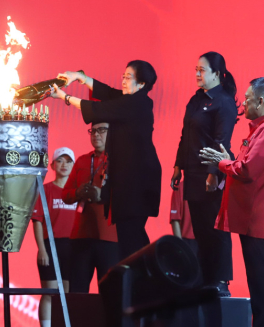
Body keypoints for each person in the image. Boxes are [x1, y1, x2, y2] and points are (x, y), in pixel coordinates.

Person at [200, 77, 264, 327]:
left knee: (261, 283)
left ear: (261, 101)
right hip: (253, 216)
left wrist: (224, 163)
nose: (244, 104)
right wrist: (228, 160)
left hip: (257, 217)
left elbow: (248, 169)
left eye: (248, 99)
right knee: (259, 282)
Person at [49, 61, 162, 259]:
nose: (123, 81)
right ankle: (142, 280)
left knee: (132, 238)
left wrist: (65, 98)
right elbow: (108, 92)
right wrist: (80, 77)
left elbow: (98, 108)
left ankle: (143, 281)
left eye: (128, 77)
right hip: (130, 180)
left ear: (141, 84)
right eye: (123, 75)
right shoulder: (133, 100)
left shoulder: (136, 104)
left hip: (137, 182)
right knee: (131, 237)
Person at [171, 52, 238, 296]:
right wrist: (178, 166)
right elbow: (184, 135)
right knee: (199, 229)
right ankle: (206, 277)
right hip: (192, 173)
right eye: (196, 69)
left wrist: (214, 173)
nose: (197, 74)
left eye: (202, 70)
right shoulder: (196, 99)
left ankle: (221, 280)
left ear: (217, 74)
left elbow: (223, 141)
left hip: (212, 174)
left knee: (215, 228)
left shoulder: (224, 102)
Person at [62, 122, 119, 293]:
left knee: (110, 293)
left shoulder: (120, 161)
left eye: (101, 130)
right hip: (81, 236)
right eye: (93, 131)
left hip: (109, 238)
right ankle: (76, 321)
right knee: (77, 291)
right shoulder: (82, 160)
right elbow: (65, 195)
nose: (96, 135)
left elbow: (129, 197)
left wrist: (102, 195)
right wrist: (77, 193)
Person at [31, 147, 77, 327]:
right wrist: (42, 249)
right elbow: (37, 221)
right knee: (49, 293)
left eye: (68, 161)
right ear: (53, 165)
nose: (64, 165)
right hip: (51, 246)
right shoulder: (46, 190)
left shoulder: (78, 191)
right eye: (60, 161)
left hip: (73, 246)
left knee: (67, 296)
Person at [169, 181, 198, 255]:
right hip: (188, 243)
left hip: (207, 241)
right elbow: (175, 219)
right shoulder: (179, 188)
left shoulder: (211, 185)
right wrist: (180, 246)